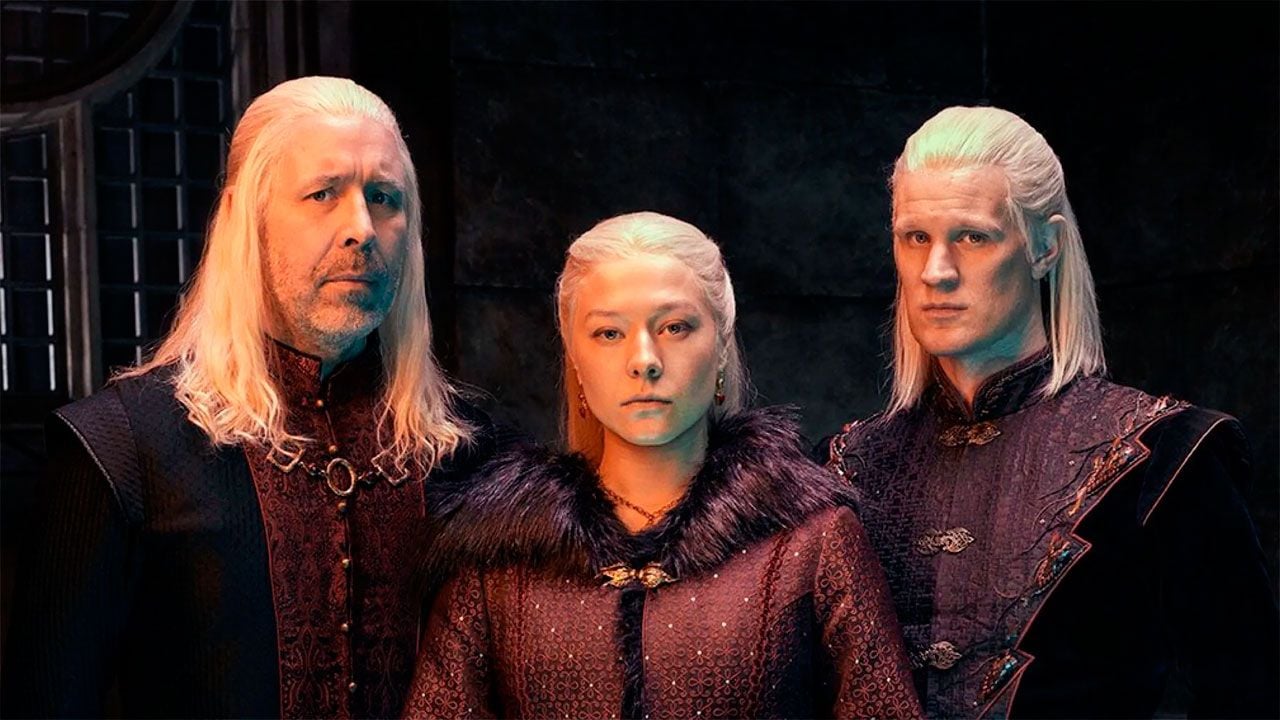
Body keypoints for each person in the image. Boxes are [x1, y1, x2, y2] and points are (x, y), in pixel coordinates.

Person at [2, 76, 497, 718]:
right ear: (246, 217)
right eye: (323, 193)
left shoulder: (474, 455)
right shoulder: (118, 449)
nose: (361, 228)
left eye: (383, 197)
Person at [823, 105, 1279, 718]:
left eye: (973, 237)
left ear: (1045, 247)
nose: (937, 272)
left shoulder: (1165, 458)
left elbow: (1251, 699)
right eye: (916, 238)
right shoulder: (840, 468)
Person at [402, 212, 922, 719]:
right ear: (575, 358)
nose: (644, 360)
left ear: (720, 346)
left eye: (675, 327)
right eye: (609, 333)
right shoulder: (500, 559)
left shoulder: (812, 543)